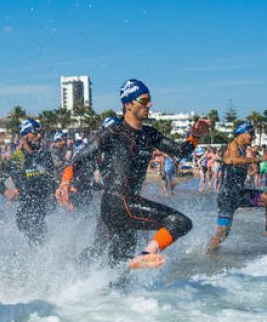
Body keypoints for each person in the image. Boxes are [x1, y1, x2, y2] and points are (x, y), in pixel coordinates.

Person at [57, 79, 210, 269]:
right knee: (180, 222)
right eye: (144, 101)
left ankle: (80, 281)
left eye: (150, 100)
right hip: (117, 202)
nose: (149, 105)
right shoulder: (113, 133)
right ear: (128, 104)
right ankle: (147, 253)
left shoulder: (150, 134)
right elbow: (77, 160)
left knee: (120, 269)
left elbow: (181, 151)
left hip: (126, 206)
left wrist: (196, 135)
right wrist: (65, 183)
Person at [206, 123, 267, 252]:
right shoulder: (232, 145)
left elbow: (248, 165)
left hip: (241, 194)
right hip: (227, 197)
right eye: (251, 134)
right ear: (242, 133)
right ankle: (209, 254)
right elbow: (235, 160)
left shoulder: (245, 150)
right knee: (222, 233)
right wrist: (258, 159)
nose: (253, 137)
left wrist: (254, 167)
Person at [0, 118, 57, 242]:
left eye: (41, 133)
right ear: (25, 136)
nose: (39, 136)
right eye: (35, 133)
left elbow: (54, 178)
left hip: (46, 210)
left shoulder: (45, 156)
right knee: (37, 241)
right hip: (26, 213)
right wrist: (7, 192)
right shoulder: (14, 158)